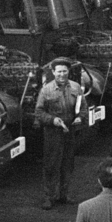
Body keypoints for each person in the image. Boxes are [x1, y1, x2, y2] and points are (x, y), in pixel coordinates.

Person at [34, 61, 84, 209]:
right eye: (59, 72)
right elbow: (39, 112)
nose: (62, 74)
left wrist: (80, 117)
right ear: (53, 73)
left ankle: (64, 194)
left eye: (64, 71)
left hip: (70, 131)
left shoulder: (76, 88)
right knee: (51, 164)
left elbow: (83, 108)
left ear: (68, 71)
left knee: (67, 164)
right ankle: (49, 197)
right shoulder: (46, 90)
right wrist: (53, 120)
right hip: (53, 132)